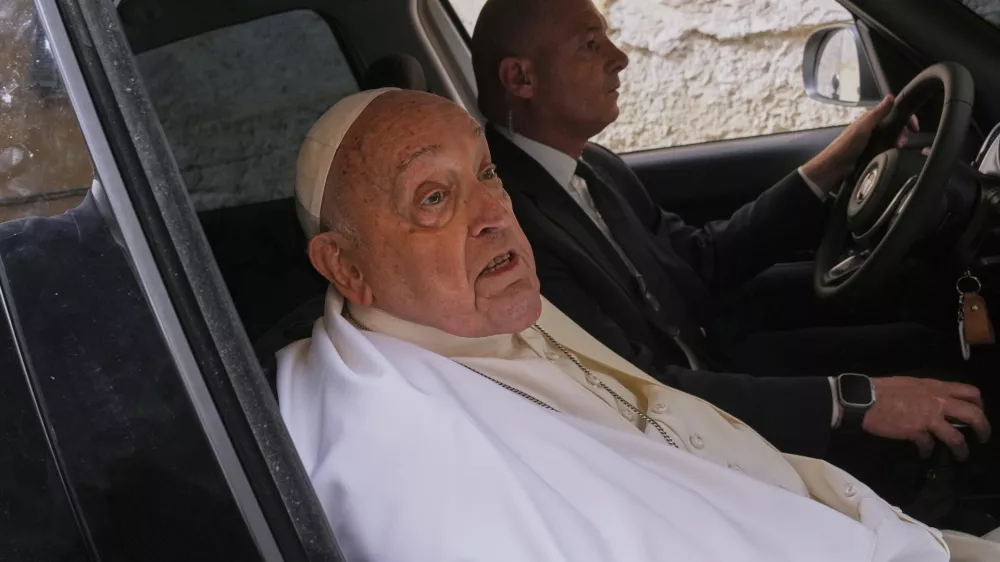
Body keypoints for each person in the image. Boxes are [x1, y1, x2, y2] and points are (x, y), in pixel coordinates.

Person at [277, 87, 1000, 562]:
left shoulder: (472, 303)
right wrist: (854, 403)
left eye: (487, 173)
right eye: (435, 197)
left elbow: (699, 261)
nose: (495, 214)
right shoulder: (400, 457)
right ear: (345, 267)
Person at [469, 0, 992, 474]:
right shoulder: (508, 222)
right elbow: (636, 390)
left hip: (711, 361)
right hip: (684, 435)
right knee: (951, 393)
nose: (619, 57)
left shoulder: (593, 165)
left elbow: (701, 258)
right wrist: (853, 402)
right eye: (590, 43)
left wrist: (835, 164)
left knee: (926, 342)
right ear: (521, 79)